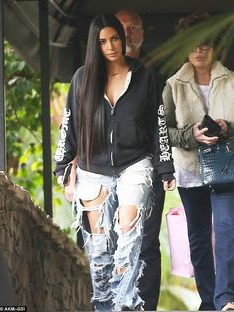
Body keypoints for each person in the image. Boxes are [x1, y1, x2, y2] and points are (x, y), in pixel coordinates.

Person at [54, 13, 175, 311]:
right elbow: (69, 124)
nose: (111, 46)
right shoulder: (83, 78)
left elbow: (158, 123)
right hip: (93, 170)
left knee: (129, 236)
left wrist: (165, 166)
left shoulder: (144, 75)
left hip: (135, 164)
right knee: (99, 250)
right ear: (95, 45)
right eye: (103, 41)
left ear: (122, 39)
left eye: (115, 38)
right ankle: (105, 307)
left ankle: (125, 306)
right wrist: (62, 163)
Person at [163, 11, 234, 311]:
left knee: (228, 227)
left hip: (225, 169)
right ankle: (209, 300)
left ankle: (225, 298)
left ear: (215, 47)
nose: (199, 50)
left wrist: (228, 128)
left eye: (205, 43)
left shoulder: (231, 81)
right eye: (193, 44)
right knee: (199, 238)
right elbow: (163, 131)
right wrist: (191, 135)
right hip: (190, 170)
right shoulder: (173, 85)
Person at [115, 9, 166, 310]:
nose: (129, 33)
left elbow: (163, 121)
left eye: (134, 28)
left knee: (146, 243)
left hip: (150, 168)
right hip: (108, 171)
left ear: (143, 33)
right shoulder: (96, 72)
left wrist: (164, 167)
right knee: (113, 241)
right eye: (122, 28)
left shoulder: (157, 70)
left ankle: (145, 307)